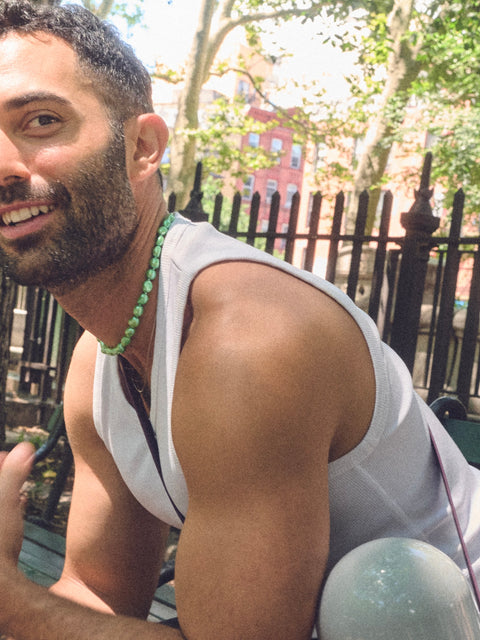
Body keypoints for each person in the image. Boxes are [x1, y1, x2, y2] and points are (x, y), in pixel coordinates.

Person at [0, 2, 478, 638]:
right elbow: (98, 597)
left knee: (375, 591)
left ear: (143, 147)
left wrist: (12, 602)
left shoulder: (249, 339)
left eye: (40, 121)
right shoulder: (98, 363)